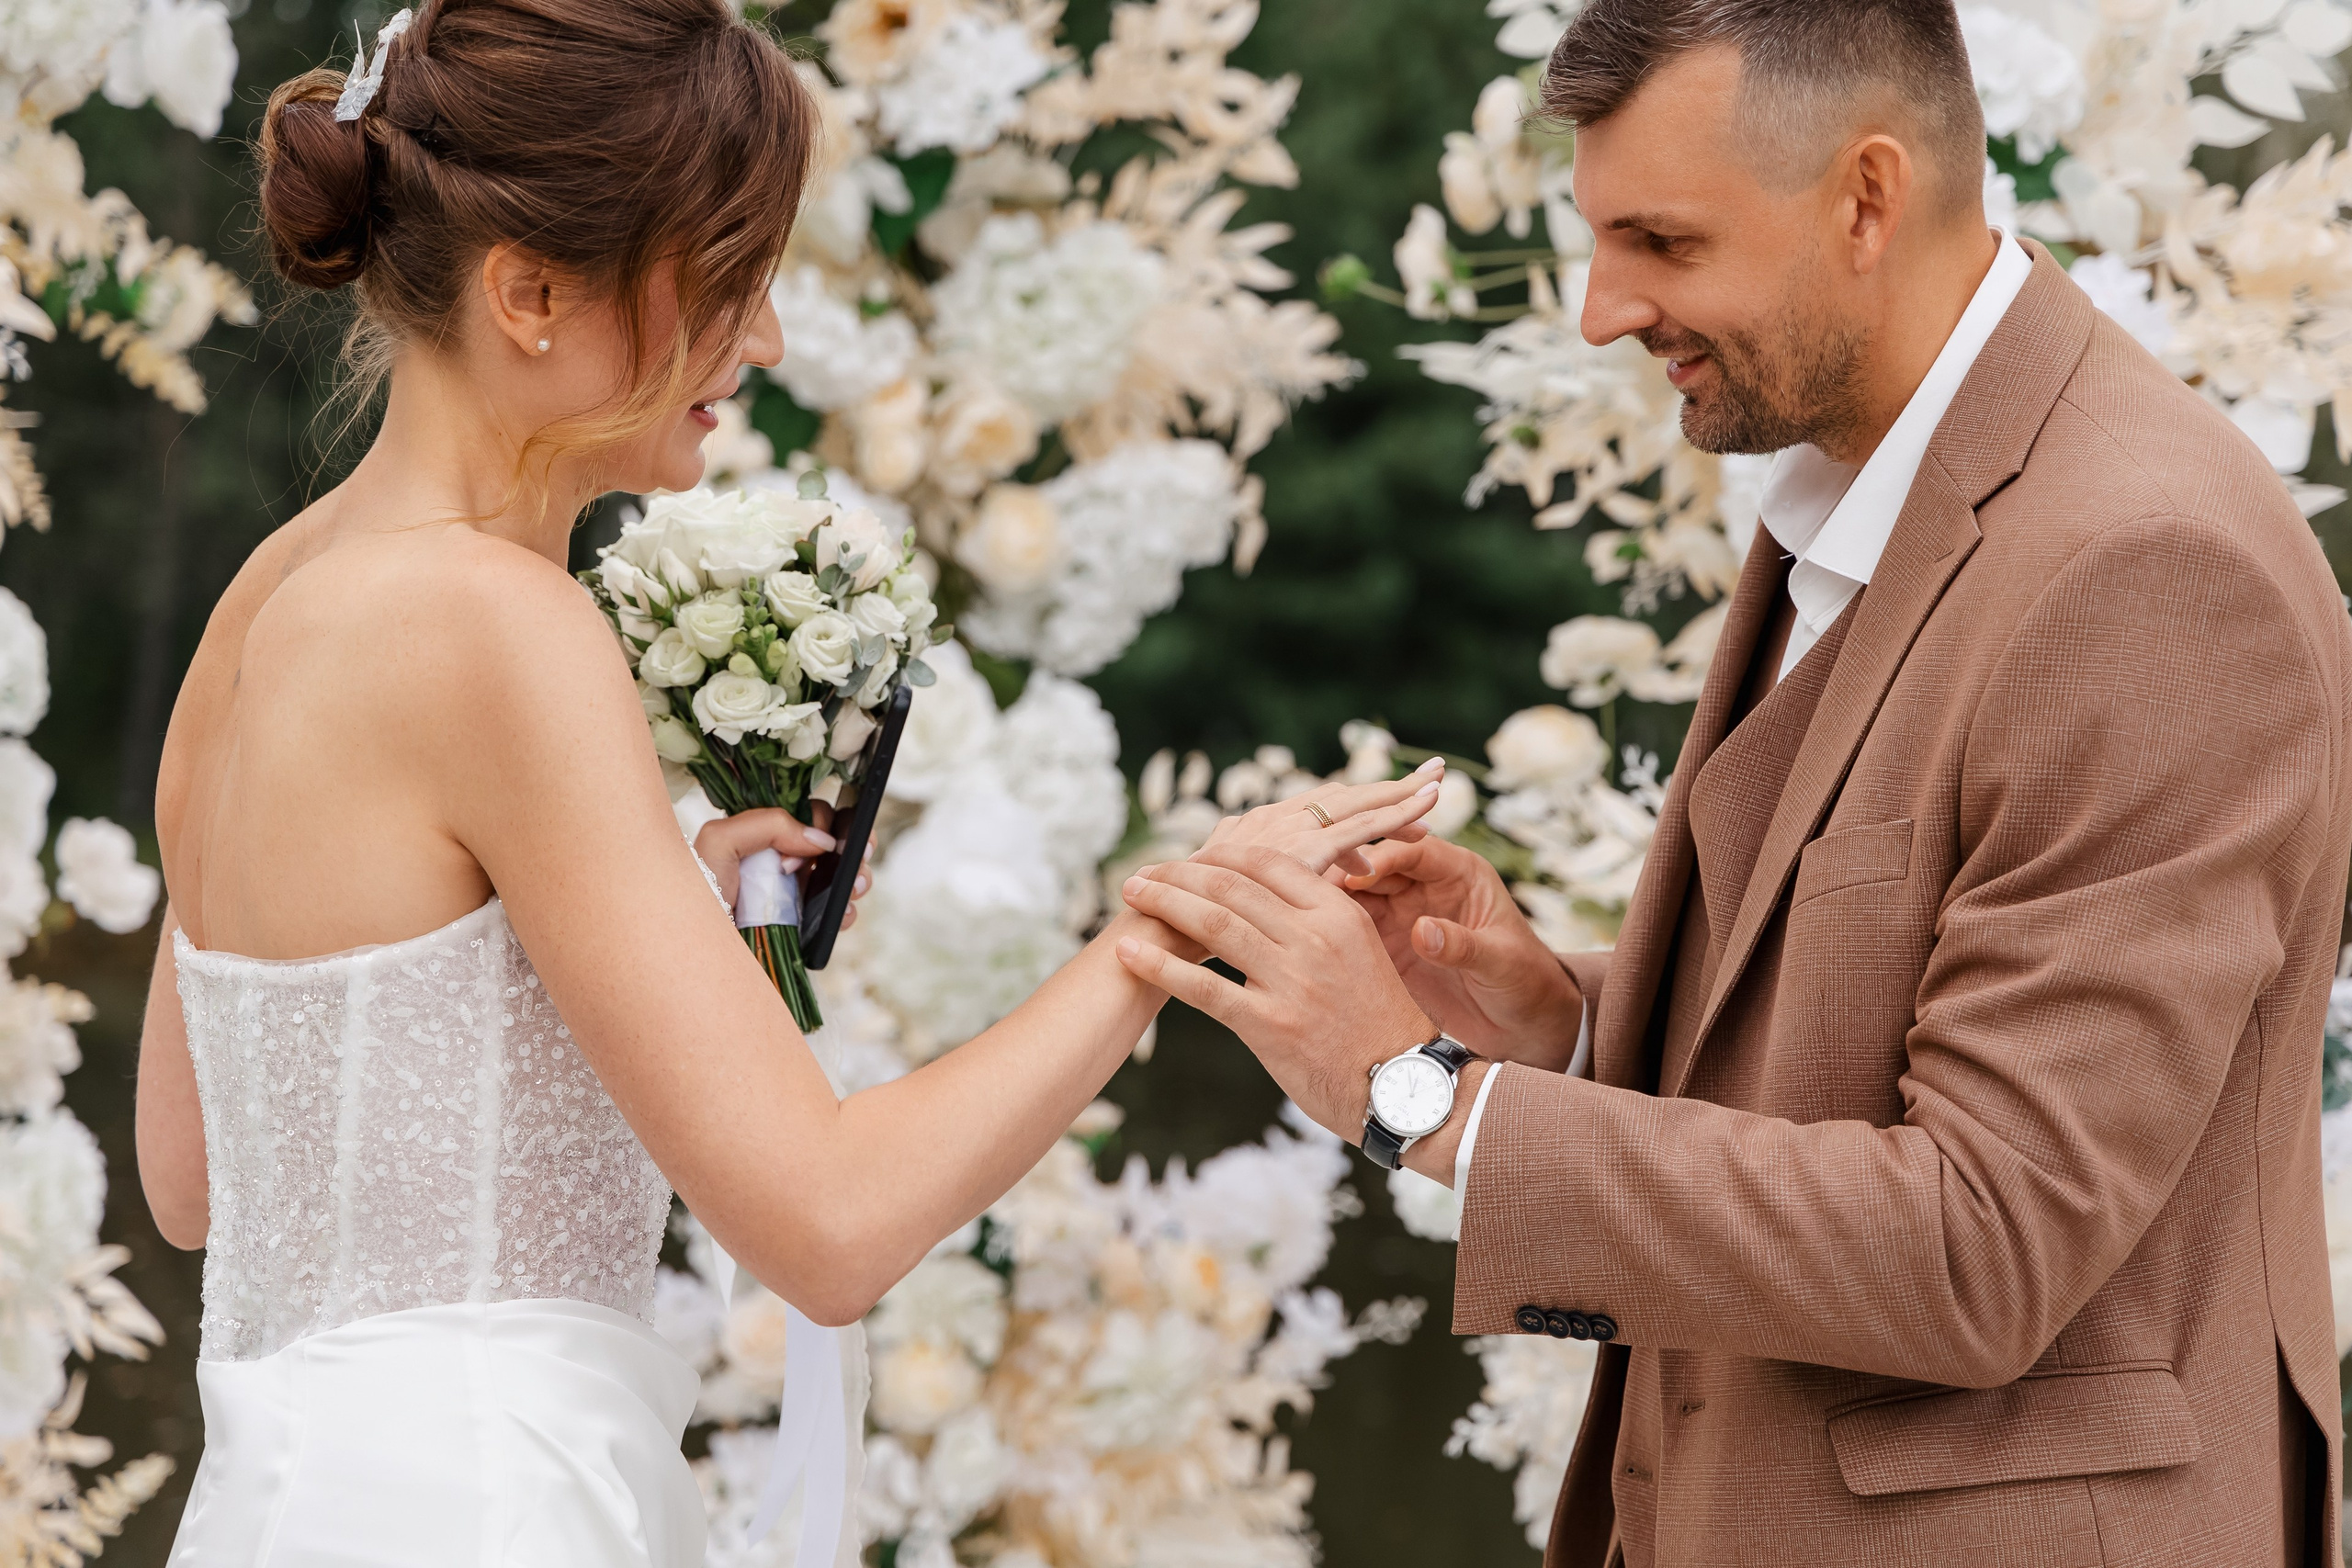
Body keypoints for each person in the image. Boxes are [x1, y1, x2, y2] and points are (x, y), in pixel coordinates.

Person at [132, 3, 1442, 1563]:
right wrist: (1158, 936)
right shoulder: (501, 626)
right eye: (728, 279)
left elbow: (199, 1178)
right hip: (488, 1499)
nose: (762, 341)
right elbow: (828, 1227)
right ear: (530, 292)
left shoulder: (268, 598)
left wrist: (624, 925)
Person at [1114, 0, 2352, 1562]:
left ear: (1867, 198)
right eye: (1597, 236)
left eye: (1664, 242)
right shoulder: (1866, 463)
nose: (1601, 310)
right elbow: (1880, 1009)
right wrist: (1563, 1023)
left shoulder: (2148, 571)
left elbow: (1986, 1241)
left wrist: (1419, 1097)